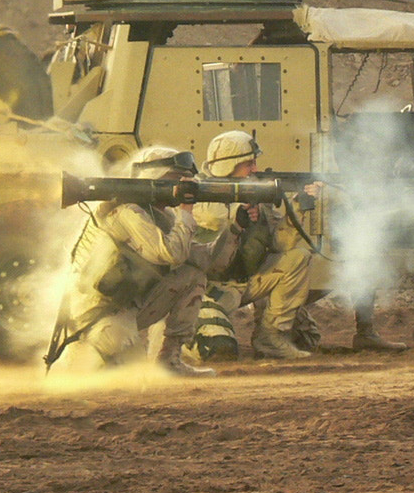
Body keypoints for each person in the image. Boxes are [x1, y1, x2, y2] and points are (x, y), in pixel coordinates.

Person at [56, 146, 214, 377]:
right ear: (155, 178)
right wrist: (186, 209)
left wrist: (238, 230)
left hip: (127, 308)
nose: (182, 185)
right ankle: (87, 355)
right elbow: (170, 253)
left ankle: (169, 362)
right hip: (97, 315)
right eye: (176, 179)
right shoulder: (127, 212)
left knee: (192, 276)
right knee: (124, 380)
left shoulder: (158, 213)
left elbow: (204, 259)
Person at [192, 131, 314, 361]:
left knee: (298, 257)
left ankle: (270, 338)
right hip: (209, 289)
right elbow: (213, 217)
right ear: (229, 165)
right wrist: (242, 208)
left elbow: (280, 243)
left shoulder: (252, 190)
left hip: (245, 280)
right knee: (217, 350)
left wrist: (298, 206)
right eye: (249, 164)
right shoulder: (198, 192)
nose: (255, 169)